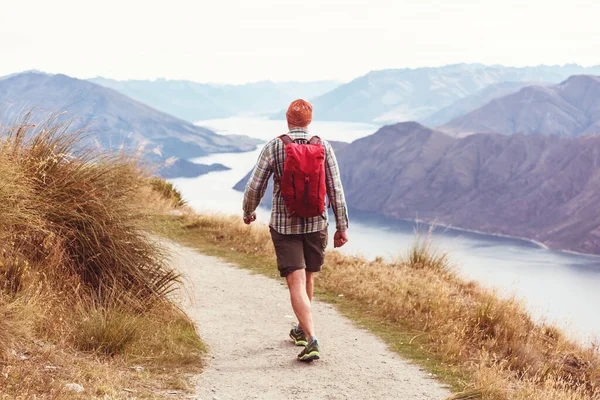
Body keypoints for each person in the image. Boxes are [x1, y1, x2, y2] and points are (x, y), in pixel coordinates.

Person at [242, 99, 349, 362]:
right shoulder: (323, 145)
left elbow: (255, 186)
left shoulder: (275, 146)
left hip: (284, 224)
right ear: (309, 120)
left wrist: (248, 211)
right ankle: (301, 330)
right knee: (308, 278)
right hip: (316, 223)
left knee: (296, 281)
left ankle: (311, 338)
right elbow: (335, 189)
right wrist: (341, 226)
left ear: (287, 118)